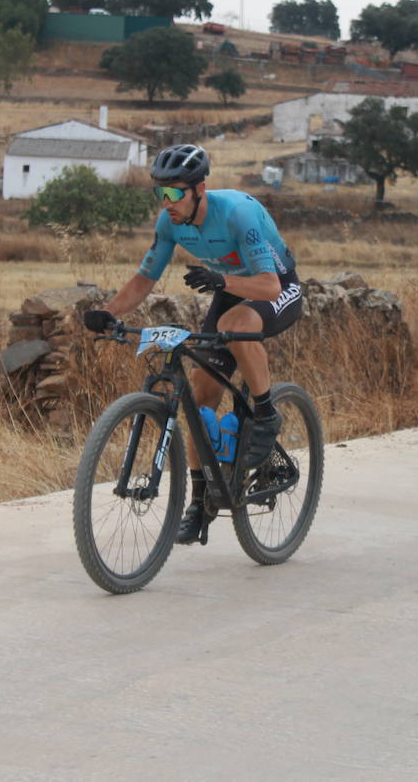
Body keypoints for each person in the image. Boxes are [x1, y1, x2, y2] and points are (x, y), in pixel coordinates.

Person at [82, 144, 304, 543]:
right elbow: (144, 280)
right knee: (202, 396)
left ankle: (267, 412)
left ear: (200, 188)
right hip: (231, 287)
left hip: (275, 286)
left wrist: (222, 281)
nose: (165, 202)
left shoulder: (237, 213)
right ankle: (201, 505)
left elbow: (269, 285)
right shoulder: (170, 223)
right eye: (159, 193)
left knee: (236, 323)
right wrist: (110, 312)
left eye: (174, 192)